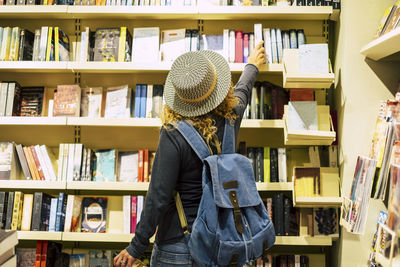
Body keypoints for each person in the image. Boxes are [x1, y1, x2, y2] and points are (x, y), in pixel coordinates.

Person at [114, 41, 266, 267]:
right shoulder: (231, 118)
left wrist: (137, 245)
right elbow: (242, 91)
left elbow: (159, 197)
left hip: (179, 247)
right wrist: (252, 65)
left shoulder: (173, 135)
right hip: (223, 244)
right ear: (218, 89)